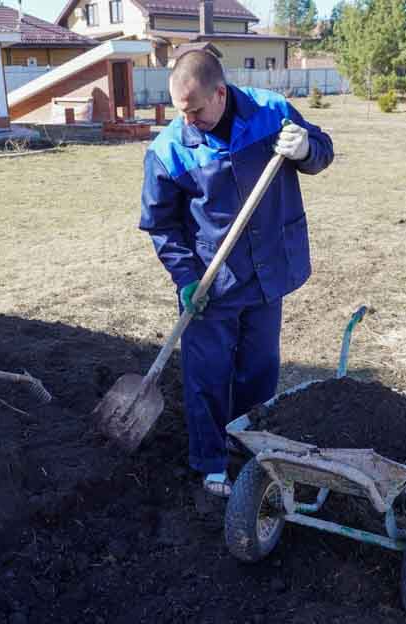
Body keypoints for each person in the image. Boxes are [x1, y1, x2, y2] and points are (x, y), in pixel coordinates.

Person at [139, 50, 334, 497]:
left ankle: (250, 451)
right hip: (212, 284)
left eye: (195, 109)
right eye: (180, 111)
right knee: (207, 375)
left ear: (220, 93)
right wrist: (187, 277)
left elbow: (323, 151)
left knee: (259, 370)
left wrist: (305, 148)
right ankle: (210, 463)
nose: (187, 120)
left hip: (268, 273)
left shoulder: (273, 113)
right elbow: (161, 224)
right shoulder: (169, 150)